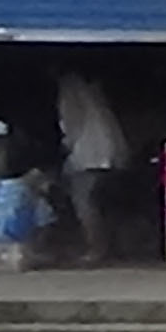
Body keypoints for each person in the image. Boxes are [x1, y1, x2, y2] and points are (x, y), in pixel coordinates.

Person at [56, 69, 132, 263]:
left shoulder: (69, 90)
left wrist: (66, 147)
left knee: (85, 203)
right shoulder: (94, 91)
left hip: (88, 155)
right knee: (105, 204)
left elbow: (71, 125)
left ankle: (96, 249)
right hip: (110, 153)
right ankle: (113, 248)